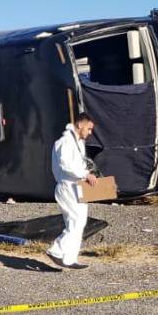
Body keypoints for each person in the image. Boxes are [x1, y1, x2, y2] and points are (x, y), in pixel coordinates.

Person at [47, 113, 98, 270]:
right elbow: (65, 165)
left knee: (79, 222)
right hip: (67, 186)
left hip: (78, 186)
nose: (90, 133)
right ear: (80, 125)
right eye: (89, 129)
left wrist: (88, 173)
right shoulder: (65, 141)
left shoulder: (78, 143)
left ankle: (69, 258)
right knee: (75, 221)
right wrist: (85, 174)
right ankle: (56, 250)